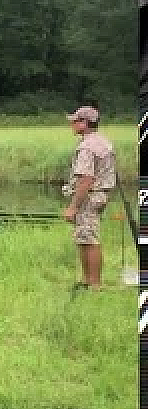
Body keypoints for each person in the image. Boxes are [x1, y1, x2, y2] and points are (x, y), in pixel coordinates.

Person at [62, 106, 117, 290]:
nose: (72, 124)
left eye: (76, 121)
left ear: (85, 123)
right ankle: (88, 281)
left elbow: (86, 179)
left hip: (90, 197)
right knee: (85, 237)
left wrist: (73, 207)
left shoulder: (87, 147)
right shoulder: (103, 142)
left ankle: (94, 284)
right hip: (100, 195)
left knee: (89, 239)